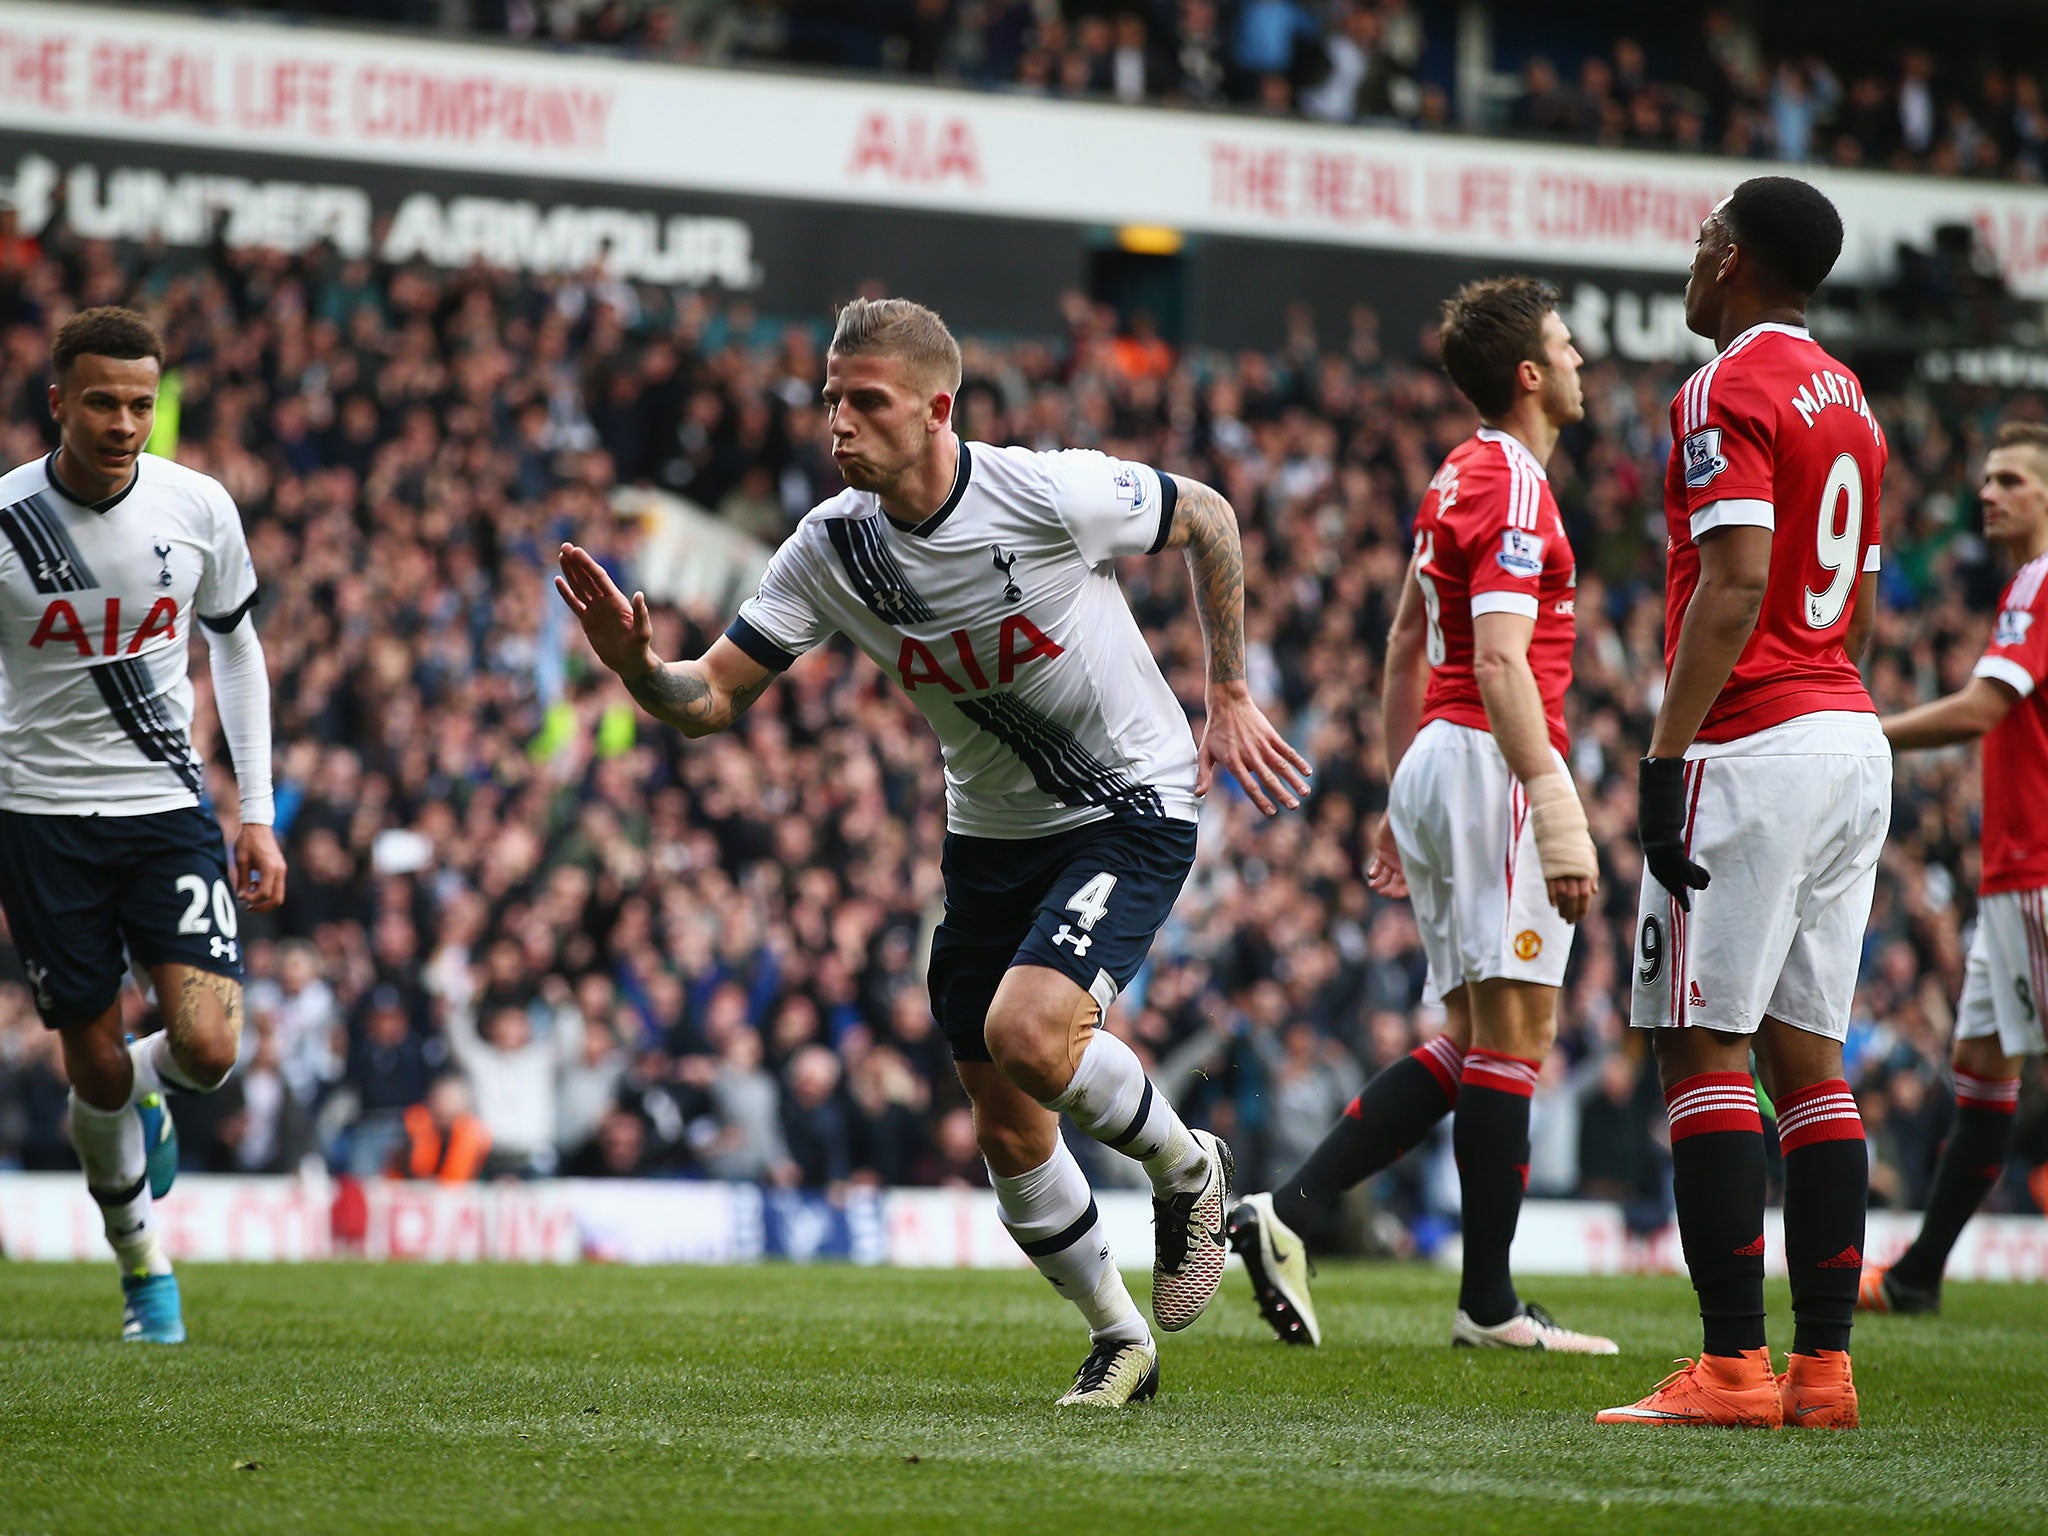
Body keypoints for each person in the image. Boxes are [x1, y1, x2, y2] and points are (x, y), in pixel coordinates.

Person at [557, 296, 1306, 1406]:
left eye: (865, 403)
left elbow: (1207, 513)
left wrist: (1228, 687)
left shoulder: (1043, 492)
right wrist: (636, 671)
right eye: (828, 401)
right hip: (988, 836)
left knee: (1028, 1033)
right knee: (1005, 1118)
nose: (838, 425)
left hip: (1131, 802)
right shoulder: (830, 547)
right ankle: (1119, 1338)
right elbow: (710, 696)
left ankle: (1188, 1169)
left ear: (936, 409)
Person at [1228, 277, 1614, 1356]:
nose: (1582, 360)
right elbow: (1494, 659)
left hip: (1445, 761)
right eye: (1567, 345)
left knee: (1471, 1032)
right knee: (1517, 1032)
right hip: (1494, 759)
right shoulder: (1517, 490)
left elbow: (1406, 643)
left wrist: (1408, 796)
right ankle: (1485, 1305)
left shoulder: (1455, 475)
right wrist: (1550, 798)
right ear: (1529, 374)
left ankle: (1291, 1212)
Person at [1599, 178, 1888, 1430]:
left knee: (1699, 1044)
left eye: (1698, 239)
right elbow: (1858, 603)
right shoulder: (1854, 403)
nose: (1689, 257)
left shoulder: (1724, 390)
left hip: (1751, 741)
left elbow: (1731, 585)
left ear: (1726, 259)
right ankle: (1821, 1373)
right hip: (1845, 730)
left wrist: (1665, 758)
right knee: (1808, 1061)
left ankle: (1727, 1371)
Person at [0, 306, 286, 1342]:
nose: (125, 422)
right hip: (39, 819)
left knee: (208, 1045)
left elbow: (238, 650)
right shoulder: (7, 524)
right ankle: (143, 1270)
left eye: (141, 402)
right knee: (97, 1065)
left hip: (166, 807)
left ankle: (149, 1099)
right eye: (103, 402)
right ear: (59, 404)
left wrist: (255, 811)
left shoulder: (197, 505)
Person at [1859, 422, 2048, 1315]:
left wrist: (1869, 731)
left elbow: (1980, 710)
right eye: (1986, 479)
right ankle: (1919, 1276)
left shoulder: (2042, 585)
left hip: (2040, 875)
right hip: (2011, 880)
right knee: (1982, 1070)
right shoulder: (2021, 588)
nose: (1990, 493)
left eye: (2011, 479)